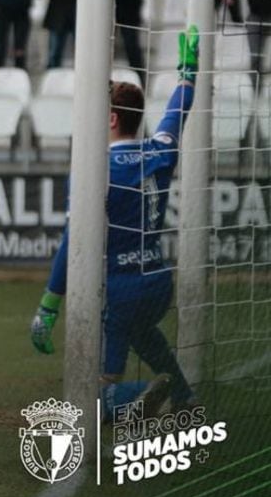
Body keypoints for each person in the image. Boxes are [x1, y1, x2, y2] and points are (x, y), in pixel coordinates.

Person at [31, 28, 201, 418]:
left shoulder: (95, 171)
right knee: (145, 333)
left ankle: (141, 394)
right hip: (157, 281)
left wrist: (48, 304)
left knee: (93, 396)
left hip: (120, 290)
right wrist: (187, 74)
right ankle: (184, 396)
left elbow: (73, 240)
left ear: (109, 118)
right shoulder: (160, 150)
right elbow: (177, 113)